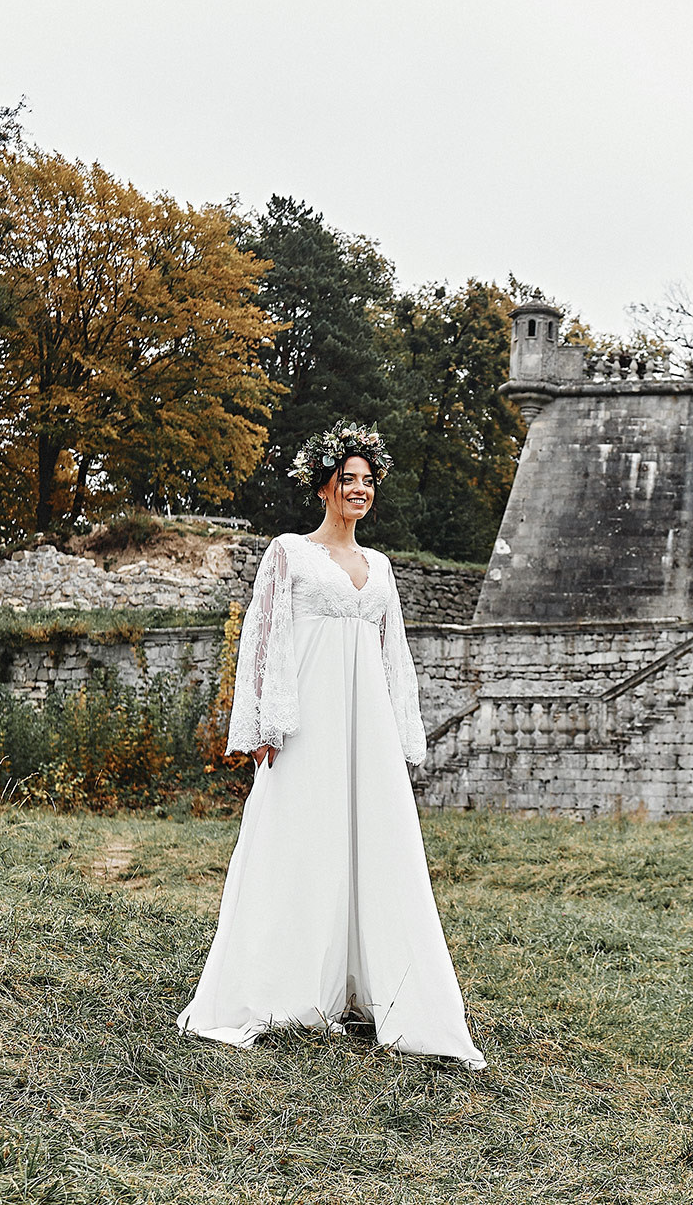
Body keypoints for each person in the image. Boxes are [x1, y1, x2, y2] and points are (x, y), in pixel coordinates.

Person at [177, 421, 486, 1069]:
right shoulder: (288, 553)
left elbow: (393, 655)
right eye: (348, 479)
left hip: (364, 727)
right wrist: (262, 725)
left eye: (368, 481)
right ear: (323, 485)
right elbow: (262, 641)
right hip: (307, 725)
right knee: (294, 840)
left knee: (376, 845)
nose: (359, 490)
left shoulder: (380, 567)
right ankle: (279, 987)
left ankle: (383, 988)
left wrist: (404, 732)